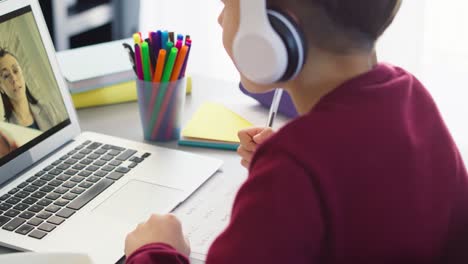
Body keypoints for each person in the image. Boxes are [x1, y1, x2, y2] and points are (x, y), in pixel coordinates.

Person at [124, 0, 468, 263]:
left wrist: (155, 251)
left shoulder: (294, 169)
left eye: (227, 5)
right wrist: (296, 164)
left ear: (272, 30)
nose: (219, 19)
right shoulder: (412, 97)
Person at [0, 47, 62, 132]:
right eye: (6, 75)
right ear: (1, 88)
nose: (13, 78)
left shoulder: (50, 110)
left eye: (15, 70)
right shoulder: (6, 131)